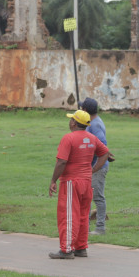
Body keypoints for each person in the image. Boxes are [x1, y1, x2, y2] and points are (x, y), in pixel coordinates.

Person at [48, 110, 109, 259]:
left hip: (71, 182)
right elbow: (106, 153)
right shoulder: (92, 138)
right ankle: (81, 248)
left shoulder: (68, 138)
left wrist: (53, 180)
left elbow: (62, 161)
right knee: (83, 215)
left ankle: (67, 250)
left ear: (74, 123)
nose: (69, 121)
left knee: (68, 216)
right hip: (86, 182)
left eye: (71, 119)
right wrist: (93, 170)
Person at [81, 97, 108, 236]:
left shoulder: (95, 125)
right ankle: (85, 226)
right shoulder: (92, 122)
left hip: (98, 166)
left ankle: (100, 228)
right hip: (92, 166)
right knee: (88, 197)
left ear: (85, 110)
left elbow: (103, 146)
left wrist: (93, 169)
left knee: (98, 197)